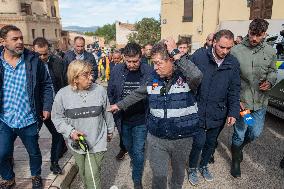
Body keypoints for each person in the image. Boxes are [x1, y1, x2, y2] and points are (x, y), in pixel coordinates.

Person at [109, 38, 204, 189]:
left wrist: (176, 52)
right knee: (159, 176)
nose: (155, 67)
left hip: (182, 138)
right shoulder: (153, 77)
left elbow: (197, 76)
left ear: (171, 61)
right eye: (153, 63)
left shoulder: (187, 78)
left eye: (159, 63)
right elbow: (139, 93)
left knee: (178, 176)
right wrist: (119, 105)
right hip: (156, 138)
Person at [0, 25, 53, 189]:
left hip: (28, 118)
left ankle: (36, 175)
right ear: (2, 41)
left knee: (34, 152)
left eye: (21, 38)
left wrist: (47, 106)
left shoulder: (33, 60)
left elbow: (46, 84)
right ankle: (8, 178)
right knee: (2, 154)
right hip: (5, 119)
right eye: (15, 39)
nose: (20, 42)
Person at [51, 60, 114, 189]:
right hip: (77, 143)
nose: (91, 78)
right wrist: (71, 132)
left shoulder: (100, 90)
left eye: (91, 74)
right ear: (75, 78)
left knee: (92, 175)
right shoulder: (62, 95)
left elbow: (107, 112)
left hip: (97, 141)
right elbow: (57, 118)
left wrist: (110, 130)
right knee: (84, 173)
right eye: (86, 75)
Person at [188, 30, 240, 184]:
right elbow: (185, 77)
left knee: (211, 143)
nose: (225, 51)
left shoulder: (233, 63)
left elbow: (235, 89)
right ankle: (192, 168)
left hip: (218, 112)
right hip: (198, 109)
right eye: (222, 47)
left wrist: (233, 112)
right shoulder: (199, 56)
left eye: (229, 48)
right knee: (198, 143)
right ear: (214, 42)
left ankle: (203, 166)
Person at [230, 18, 277, 178]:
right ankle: (235, 160)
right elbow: (230, 78)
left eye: (258, 35)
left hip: (261, 102)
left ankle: (239, 148)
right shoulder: (236, 51)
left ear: (265, 34)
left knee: (255, 132)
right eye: (252, 34)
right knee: (240, 132)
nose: (254, 39)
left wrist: (270, 81)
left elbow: (273, 71)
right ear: (248, 31)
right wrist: (236, 99)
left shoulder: (270, 51)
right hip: (244, 103)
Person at [107, 43, 152, 187]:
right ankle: (134, 159)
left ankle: (137, 181)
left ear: (141, 57)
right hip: (123, 119)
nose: (132, 64)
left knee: (138, 150)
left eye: (135, 61)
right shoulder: (116, 70)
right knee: (128, 145)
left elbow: (151, 92)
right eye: (129, 61)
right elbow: (111, 92)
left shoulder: (149, 71)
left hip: (141, 119)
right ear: (123, 58)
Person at [33, 37, 68, 175]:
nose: (42, 57)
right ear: (33, 51)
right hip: (38, 109)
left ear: (49, 51)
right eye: (39, 54)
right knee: (32, 138)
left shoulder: (58, 62)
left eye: (45, 54)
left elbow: (65, 82)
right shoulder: (29, 66)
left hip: (56, 107)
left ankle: (54, 163)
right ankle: (34, 169)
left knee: (58, 134)